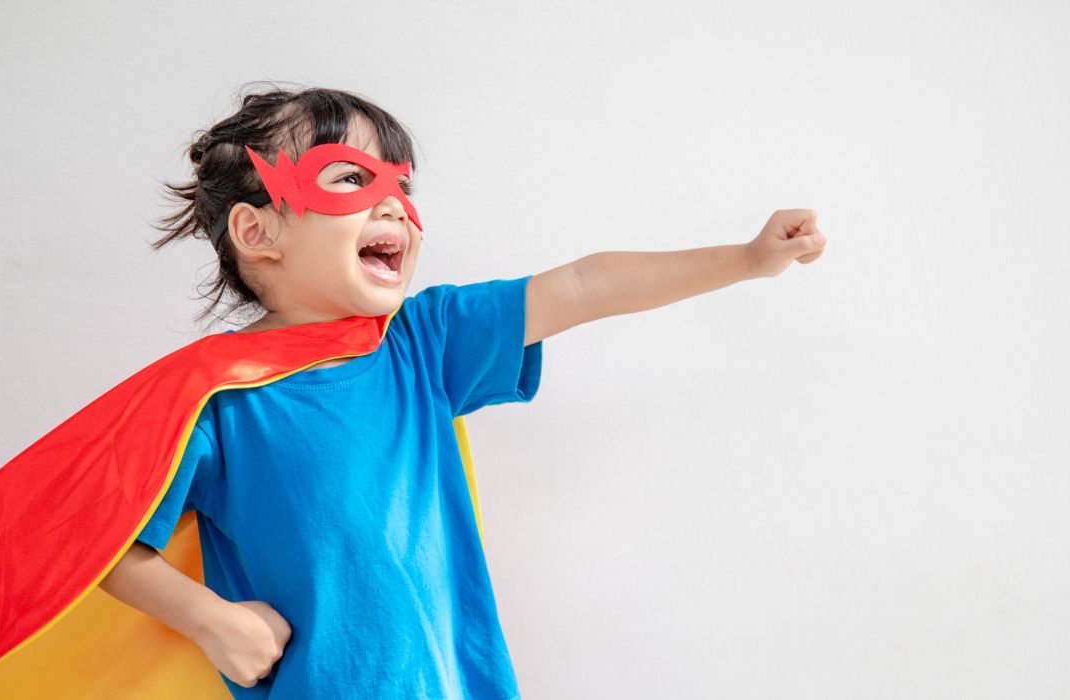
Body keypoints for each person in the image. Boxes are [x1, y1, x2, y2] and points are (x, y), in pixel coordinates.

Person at [97, 83, 828, 699]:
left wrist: (747, 259)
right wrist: (212, 621)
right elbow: (100, 544)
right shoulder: (216, 395)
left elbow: (580, 285)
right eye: (351, 177)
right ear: (258, 231)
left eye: (402, 185)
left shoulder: (422, 342)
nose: (393, 205)